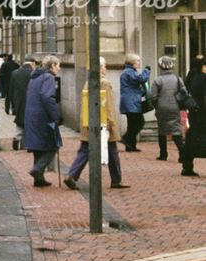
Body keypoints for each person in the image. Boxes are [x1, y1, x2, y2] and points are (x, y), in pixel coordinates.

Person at [64, 57, 128, 190]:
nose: (106, 68)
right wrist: (111, 124)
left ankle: (72, 174)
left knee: (85, 150)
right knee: (112, 151)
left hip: (88, 122)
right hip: (102, 124)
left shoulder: (88, 82)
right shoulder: (104, 83)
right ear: (100, 68)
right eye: (104, 66)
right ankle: (116, 179)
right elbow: (108, 106)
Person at [23, 55, 62, 187]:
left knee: (38, 147)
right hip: (42, 117)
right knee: (52, 145)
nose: (59, 68)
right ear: (51, 66)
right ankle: (37, 170)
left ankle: (39, 179)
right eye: (57, 65)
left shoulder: (35, 77)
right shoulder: (48, 77)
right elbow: (47, 97)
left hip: (32, 116)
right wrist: (56, 115)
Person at [151, 56, 186, 163]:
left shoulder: (157, 80)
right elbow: (184, 91)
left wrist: (156, 106)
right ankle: (182, 154)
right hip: (174, 106)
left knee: (162, 130)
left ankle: (163, 154)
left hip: (161, 107)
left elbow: (153, 96)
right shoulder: (177, 78)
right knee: (176, 130)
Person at [180, 56, 206, 177]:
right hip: (201, 114)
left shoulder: (196, 77)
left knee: (192, 139)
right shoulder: (202, 79)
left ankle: (187, 166)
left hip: (196, 113)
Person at [119, 53, 151, 151]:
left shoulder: (129, 72)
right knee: (139, 122)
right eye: (137, 61)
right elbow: (141, 79)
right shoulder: (129, 72)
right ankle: (126, 138)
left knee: (132, 124)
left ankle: (130, 146)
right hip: (131, 102)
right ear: (132, 62)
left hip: (130, 101)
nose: (138, 63)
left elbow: (133, 87)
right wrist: (147, 71)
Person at [6, 56, 36, 150]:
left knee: (20, 123)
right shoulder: (33, 73)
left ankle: (16, 138)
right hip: (31, 102)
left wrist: (8, 105)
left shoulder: (15, 73)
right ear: (32, 63)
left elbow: (10, 90)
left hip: (18, 103)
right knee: (31, 124)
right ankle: (29, 145)